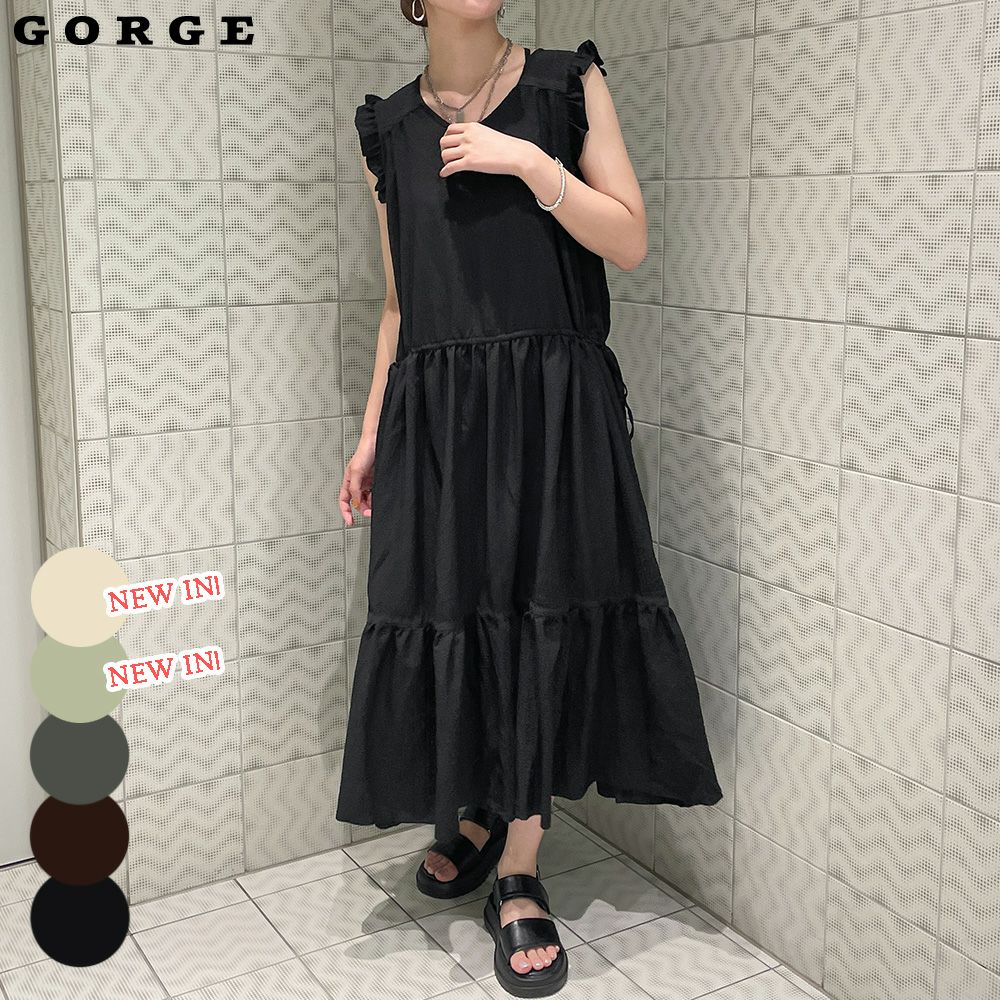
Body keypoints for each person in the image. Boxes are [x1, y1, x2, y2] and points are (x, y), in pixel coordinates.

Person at [336, 2, 723, 995]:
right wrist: (373, 430)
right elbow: (398, 300)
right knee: (460, 608)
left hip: (551, 407)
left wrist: (530, 166)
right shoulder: (389, 129)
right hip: (438, 414)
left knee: (541, 609)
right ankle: (478, 807)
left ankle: (517, 865)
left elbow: (629, 240)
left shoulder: (565, 83)